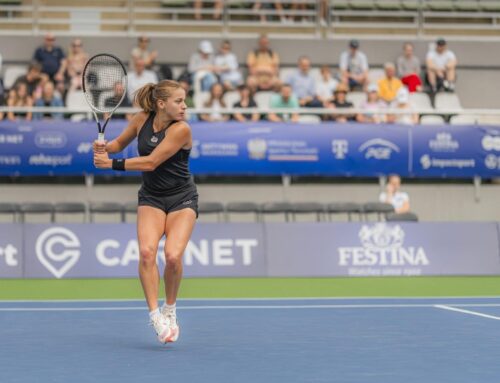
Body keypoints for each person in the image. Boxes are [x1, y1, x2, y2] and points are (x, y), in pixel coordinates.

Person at [93, 80, 198, 344]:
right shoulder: (141, 119)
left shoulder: (181, 130)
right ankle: (154, 315)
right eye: (179, 101)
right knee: (147, 252)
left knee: (173, 256)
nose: (184, 106)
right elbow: (118, 144)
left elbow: (151, 162)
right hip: (151, 197)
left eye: (185, 101)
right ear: (161, 104)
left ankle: (170, 309)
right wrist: (103, 147)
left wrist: (111, 165)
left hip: (181, 197)